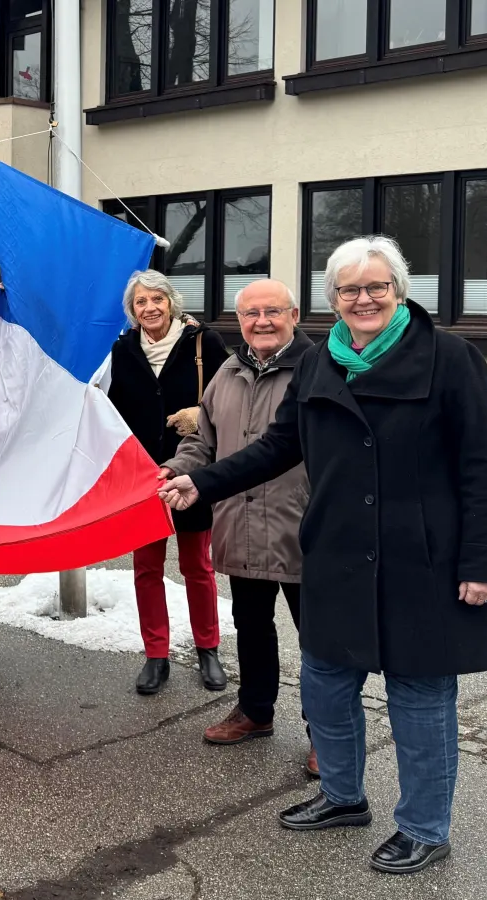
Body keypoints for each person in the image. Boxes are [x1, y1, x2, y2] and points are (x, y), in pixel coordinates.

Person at [160, 235, 487, 875]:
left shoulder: (451, 359)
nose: (364, 298)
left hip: (422, 560)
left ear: (398, 292)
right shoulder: (321, 364)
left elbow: (483, 466)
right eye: (350, 289)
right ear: (334, 300)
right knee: (324, 685)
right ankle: (343, 797)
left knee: (419, 699)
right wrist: (202, 482)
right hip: (338, 552)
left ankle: (425, 827)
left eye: (376, 286)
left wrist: (483, 564)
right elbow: (278, 445)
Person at [161, 279, 317, 775]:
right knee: (250, 625)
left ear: (294, 314)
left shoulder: (318, 370)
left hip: (302, 526)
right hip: (239, 521)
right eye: (250, 313)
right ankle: (255, 710)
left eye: (272, 311)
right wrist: (179, 467)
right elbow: (202, 441)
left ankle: (327, 731)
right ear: (238, 320)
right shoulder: (227, 371)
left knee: (319, 637)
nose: (261, 321)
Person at [104, 269, 230, 696]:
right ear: (132, 310)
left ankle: (207, 649)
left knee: (197, 565)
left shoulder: (203, 342)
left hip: (193, 471)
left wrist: (201, 412)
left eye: (157, 299)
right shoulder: (122, 350)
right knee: (146, 569)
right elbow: (111, 409)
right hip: (142, 475)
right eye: (141, 302)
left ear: (171, 302)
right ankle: (155, 654)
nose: (150, 308)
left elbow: (229, 395)